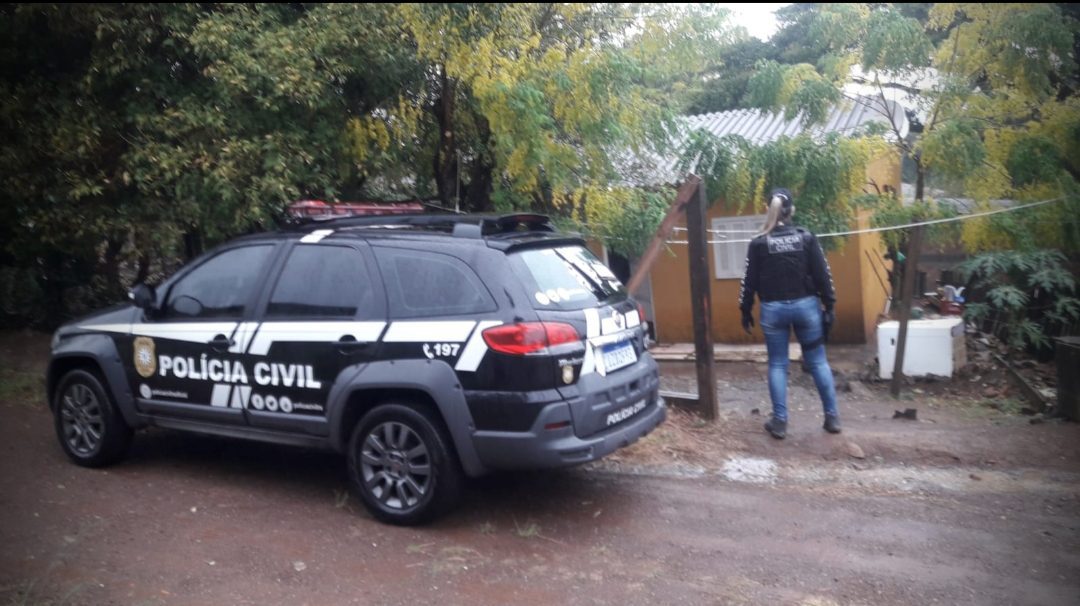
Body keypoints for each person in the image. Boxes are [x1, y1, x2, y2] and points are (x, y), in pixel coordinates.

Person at [738, 188, 840, 439]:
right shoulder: (806, 238)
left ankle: (780, 422)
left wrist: (745, 310)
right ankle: (832, 418)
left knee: (777, 364)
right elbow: (823, 274)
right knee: (818, 362)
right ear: (791, 210)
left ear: (768, 209)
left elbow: (748, 281)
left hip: (773, 311)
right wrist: (830, 305)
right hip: (807, 308)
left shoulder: (758, 243)